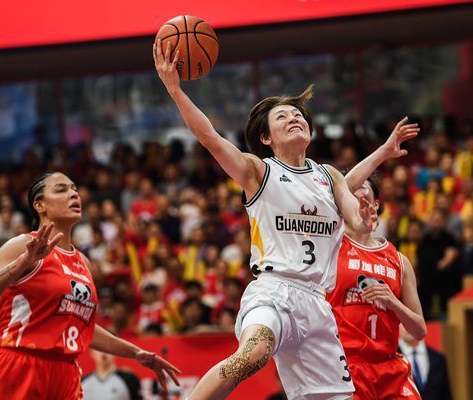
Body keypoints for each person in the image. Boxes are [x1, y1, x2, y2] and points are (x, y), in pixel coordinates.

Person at [154, 40, 418, 400]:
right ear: (266, 137)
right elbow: (210, 138)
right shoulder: (258, 171)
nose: (294, 118)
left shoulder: (329, 176)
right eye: (282, 117)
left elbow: (355, 222)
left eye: (298, 115)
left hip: (316, 304)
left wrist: (364, 218)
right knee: (252, 355)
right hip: (274, 291)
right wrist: (175, 89)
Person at [0, 172, 180, 399]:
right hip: (19, 363)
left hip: (65, 372)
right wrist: (23, 262)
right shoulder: (23, 245)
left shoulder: (83, 262)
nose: (73, 194)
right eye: (61, 190)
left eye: (74, 189)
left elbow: (84, 327)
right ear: (39, 205)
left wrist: (136, 352)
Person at [327, 178, 427, 399]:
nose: (356, 189)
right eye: (350, 189)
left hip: (390, 366)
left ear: (376, 203)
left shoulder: (399, 261)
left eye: (363, 186)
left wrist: (394, 303)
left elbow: (419, 331)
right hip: (346, 365)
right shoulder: (331, 247)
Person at [399, 325, 452, 400]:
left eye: (412, 320)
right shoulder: (389, 359)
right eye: (403, 321)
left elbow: (446, 394)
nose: (408, 325)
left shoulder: (438, 358)